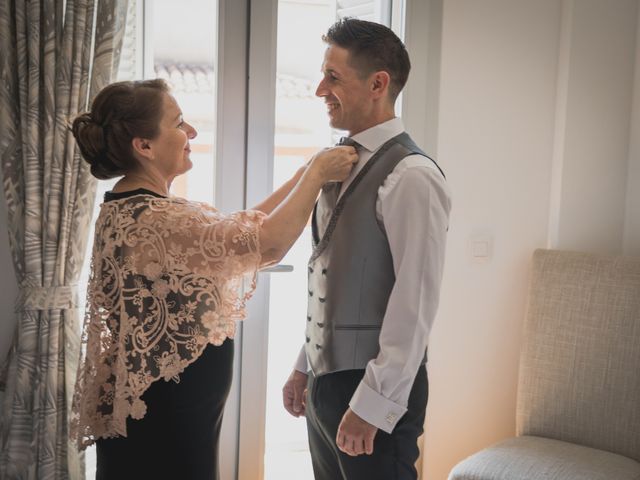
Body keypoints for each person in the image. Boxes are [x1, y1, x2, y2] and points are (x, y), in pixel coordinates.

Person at [69, 78, 357, 480]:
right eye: (179, 122)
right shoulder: (156, 219)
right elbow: (266, 245)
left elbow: (240, 230)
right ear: (144, 145)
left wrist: (305, 174)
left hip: (168, 410)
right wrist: (316, 175)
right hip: (168, 417)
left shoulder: (135, 208)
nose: (191, 132)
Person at [281, 18, 452, 480]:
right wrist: (304, 367)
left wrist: (373, 405)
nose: (320, 89)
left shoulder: (412, 175)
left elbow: (414, 304)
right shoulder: (338, 164)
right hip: (327, 383)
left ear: (378, 83)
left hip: (373, 389)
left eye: (333, 77)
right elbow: (333, 279)